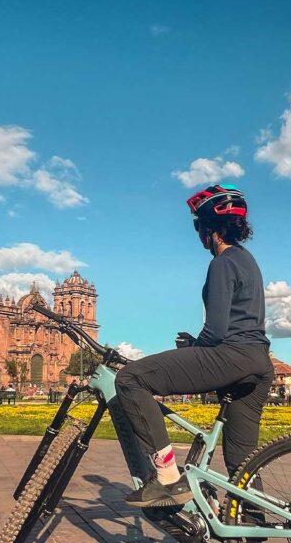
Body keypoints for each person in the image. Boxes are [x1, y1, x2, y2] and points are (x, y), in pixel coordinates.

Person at [117, 184, 274, 507]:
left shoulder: (222, 262)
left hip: (232, 356)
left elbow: (215, 332)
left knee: (131, 378)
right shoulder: (247, 260)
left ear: (209, 228)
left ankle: (167, 479)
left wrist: (193, 348)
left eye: (197, 225)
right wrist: (194, 345)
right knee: (242, 464)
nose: (197, 233)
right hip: (258, 362)